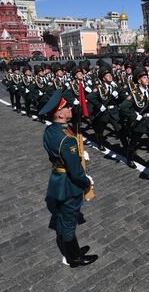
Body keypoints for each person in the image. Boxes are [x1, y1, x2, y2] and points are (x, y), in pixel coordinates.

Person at [39, 89, 98, 268]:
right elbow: (75, 173)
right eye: (67, 107)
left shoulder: (50, 131)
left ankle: (73, 251)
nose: (71, 109)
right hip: (68, 184)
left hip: (57, 179)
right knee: (69, 221)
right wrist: (87, 181)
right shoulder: (66, 139)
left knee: (64, 218)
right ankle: (73, 258)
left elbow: (54, 155)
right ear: (59, 114)